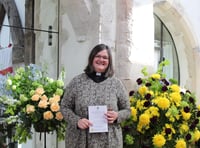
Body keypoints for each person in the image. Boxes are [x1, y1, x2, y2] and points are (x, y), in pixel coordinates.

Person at [60, 44, 131, 148]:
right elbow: (64, 106)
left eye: (105, 57)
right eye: (98, 56)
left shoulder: (116, 84)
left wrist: (117, 116)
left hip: (110, 141)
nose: (101, 59)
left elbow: (127, 110)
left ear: (109, 62)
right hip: (80, 139)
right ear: (92, 58)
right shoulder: (77, 82)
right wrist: (77, 121)